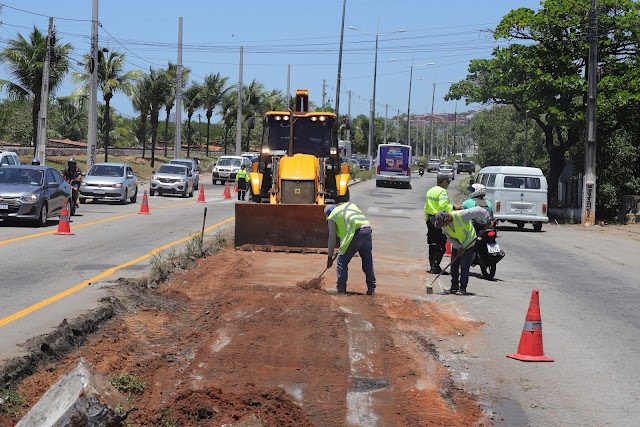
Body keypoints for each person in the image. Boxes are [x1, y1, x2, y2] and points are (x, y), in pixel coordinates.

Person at [433, 206, 491, 295]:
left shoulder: (461, 215)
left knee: (464, 265)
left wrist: (488, 220)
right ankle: (454, 286)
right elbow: (449, 238)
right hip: (458, 243)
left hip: (469, 241)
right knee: (454, 265)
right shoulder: (444, 226)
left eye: (443, 223)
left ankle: (463, 288)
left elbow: (478, 210)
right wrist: (459, 247)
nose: (443, 226)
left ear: (447, 218)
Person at [325, 202, 376, 295]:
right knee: (368, 261)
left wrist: (329, 257)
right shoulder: (348, 206)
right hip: (367, 229)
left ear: (328, 213)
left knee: (341, 261)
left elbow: (332, 237)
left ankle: (341, 288)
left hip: (356, 234)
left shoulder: (332, 216)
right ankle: (371, 288)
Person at [424, 177, 456, 274]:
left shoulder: (430, 191)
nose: (448, 184)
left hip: (430, 218)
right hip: (439, 219)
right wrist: (454, 207)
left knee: (432, 243)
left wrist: (427, 219)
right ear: (444, 182)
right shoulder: (442, 192)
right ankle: (436, 266)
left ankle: (432, 266)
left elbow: (426, 206)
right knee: (441, 242)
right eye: (448, 182)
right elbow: (443, 206)